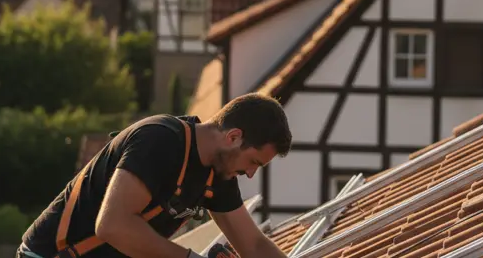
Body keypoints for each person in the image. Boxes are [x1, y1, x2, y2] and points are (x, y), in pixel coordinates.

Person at [17, 93, 293, 258]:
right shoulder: (159, 140)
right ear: (233, 137)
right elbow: (112, 225)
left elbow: (254, 245)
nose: (249, 173)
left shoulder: (218, 176)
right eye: (253, 162)